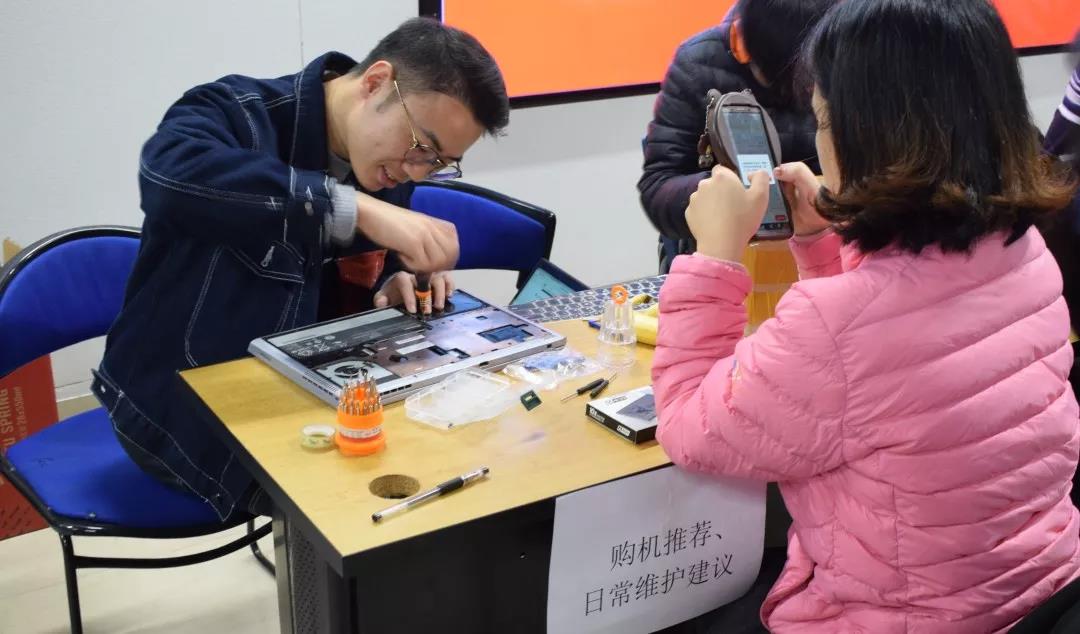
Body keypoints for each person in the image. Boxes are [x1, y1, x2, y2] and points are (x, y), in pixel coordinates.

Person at [653, 1, 1080, 631]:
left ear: (873, 136)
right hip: (1031, 594)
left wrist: (714, 258)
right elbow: (870, 368)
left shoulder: (837, 327)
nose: (821, 141)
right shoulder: (1024, 253)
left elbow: (690, 426)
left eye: (824, 120)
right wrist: (824, 240)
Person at [91, 17, 509, 520]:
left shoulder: (385, 159)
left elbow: (348, 269)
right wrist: (347, 205)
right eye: (421, 147)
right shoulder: (235, 113)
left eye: (439, 162)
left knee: (461, 458)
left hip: (304, 393)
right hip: (182, 410)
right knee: (370, 512)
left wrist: (393, 278)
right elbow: (167, 178)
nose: (417, 172)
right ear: (376, 82)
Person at [638, 0, 835, 272]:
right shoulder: (699, 63)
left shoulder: (842, 55)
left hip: (829, 249)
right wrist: (722, 193)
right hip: (728, 259)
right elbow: (658, 188)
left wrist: (830, 195)